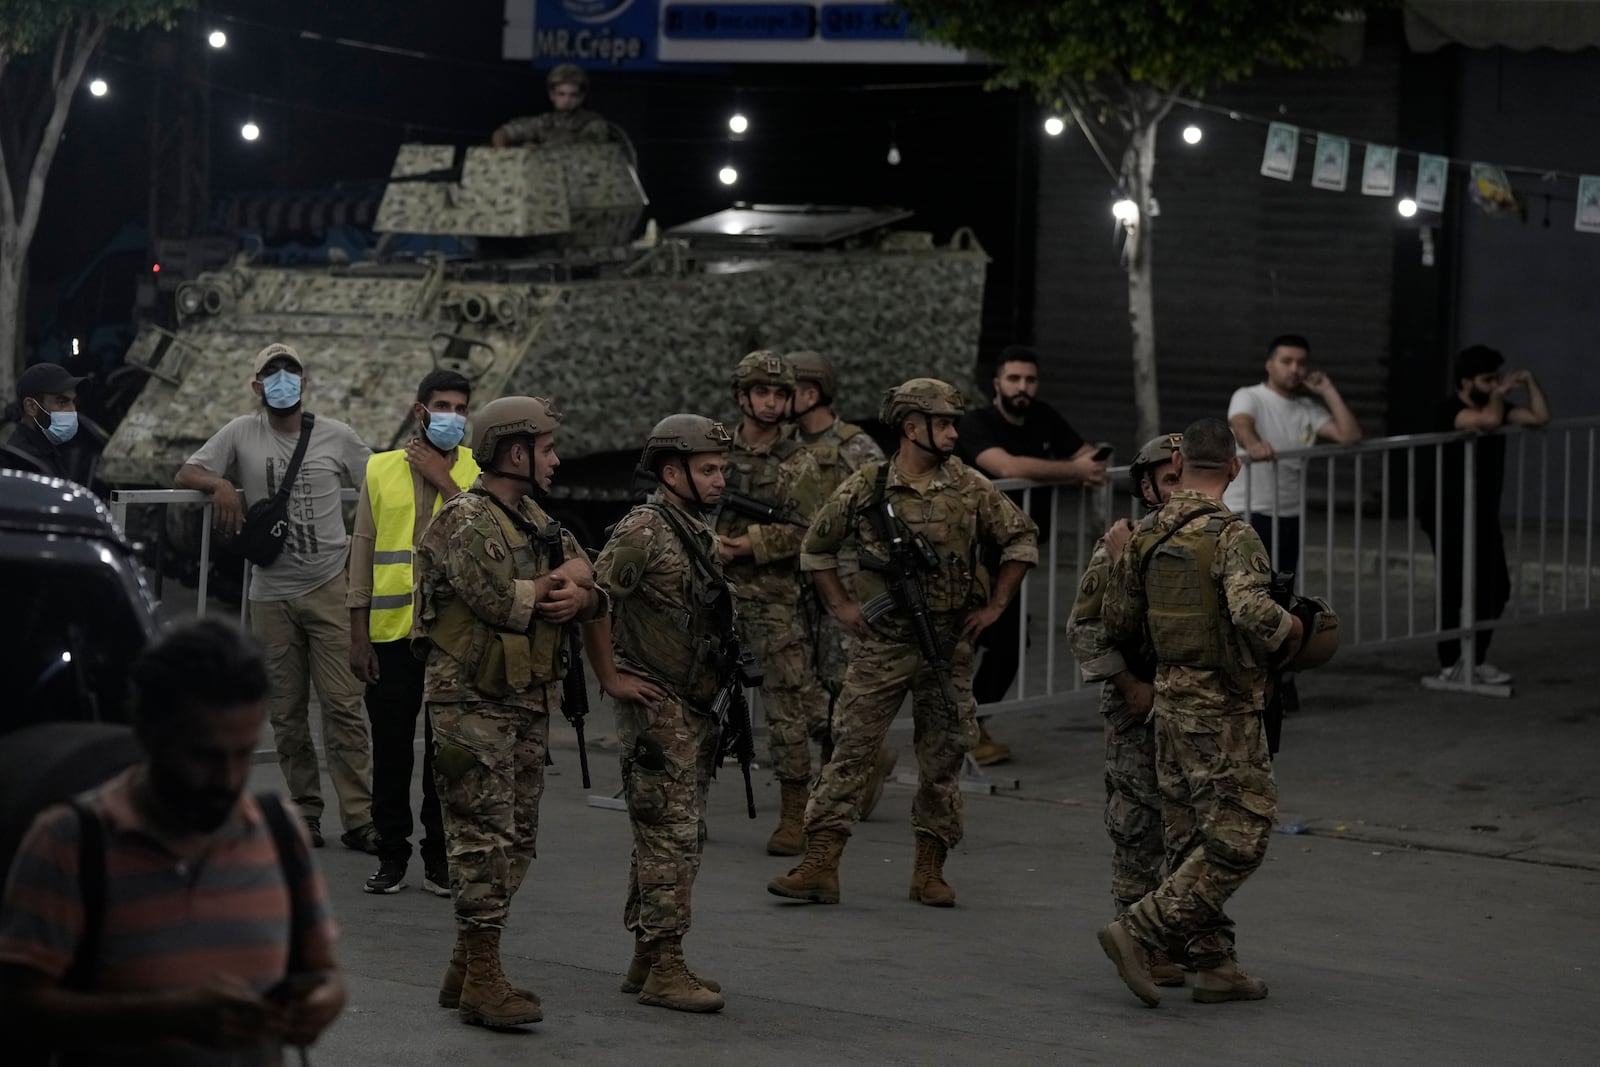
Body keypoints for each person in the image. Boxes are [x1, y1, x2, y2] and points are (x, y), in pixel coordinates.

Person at [0, 618, 346, 1065]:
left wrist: (322, 1001)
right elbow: (17, 1007)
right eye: (204, 756)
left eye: (243, 754)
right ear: (149, 734)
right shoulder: (70, 842)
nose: (228, 779)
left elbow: (324, 974)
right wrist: (163, 1017)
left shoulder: (281, 831)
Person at [768, 378, 1038, 908]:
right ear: (912, 428)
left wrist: (996, 606)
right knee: (849, 751)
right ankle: (820, 864)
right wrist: (844, 606)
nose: (954, 433)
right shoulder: (868, 486)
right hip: (883, 644)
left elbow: (1021, 539)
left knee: (943, 759)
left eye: (955, 423)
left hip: (946, 644)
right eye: (943, 424)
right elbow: (816, 548)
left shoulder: (969, 486)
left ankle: (929, 871)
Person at [413, 395, 607, 1030]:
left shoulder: (529, 516)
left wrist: (573, 587)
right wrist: (556, 587)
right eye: (546, 449)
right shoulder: (467, 518)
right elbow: (498, 598)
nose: (555, 460)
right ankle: (483, 979)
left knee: (517, 840)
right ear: (516, 453)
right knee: (480, 841)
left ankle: (465, 967)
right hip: (471, 703)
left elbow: (588, 570)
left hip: (521, 701)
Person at [1098, 417, 1304, 1007]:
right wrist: (1292, 628)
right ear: (1236, 469)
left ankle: (1215, 965)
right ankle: (1139, 931)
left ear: (1182, 468)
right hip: (1224, 710)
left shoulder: (1148, 531)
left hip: (1169, 704)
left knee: (1190, 837)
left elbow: (1117, 622)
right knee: (1244, 832)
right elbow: (1251, 613)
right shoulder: (1233, 535)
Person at [175, 343, 376, 854]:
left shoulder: (337, 436)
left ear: (304, 383)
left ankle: (360, 816)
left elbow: (377, 482)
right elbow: (186, 472)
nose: (282, 379)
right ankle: (305, 812)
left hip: (330, 585)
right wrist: (220, 484)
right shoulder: (241, 433)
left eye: (290, 371)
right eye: (271, 372)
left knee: (344, 707)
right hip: (271, 594)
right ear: (257, 385)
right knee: (286, 713)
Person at [583, 414, 736, 1014]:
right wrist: (610, 677)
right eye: (708, 470)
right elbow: (595, 600)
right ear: (672, 473)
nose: (720, 479)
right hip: (658, 705)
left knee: (674, 834)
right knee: (670, 837)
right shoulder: (646, 529)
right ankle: (666, 965)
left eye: (722, 468)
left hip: (691, 703)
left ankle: (647, 959)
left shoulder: (690, 526)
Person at [348, 370, 480, 897]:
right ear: (419, 410)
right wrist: (357, 634)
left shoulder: (475, 470)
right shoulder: (380, 469)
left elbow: (479, 531)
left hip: (452, 634)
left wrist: (444, 480)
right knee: (392, 749)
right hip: (390, 635)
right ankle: (392, 855)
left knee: (444, 754)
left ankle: (438, 857)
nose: (451, 415)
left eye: (461, 407)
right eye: (441, 405)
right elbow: (361, 551)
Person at [1066, 433, 1186, 989]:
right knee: (1139, 827)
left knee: (1193, 829)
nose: (1181, 488)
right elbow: (1084, 628)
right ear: (1146, 488)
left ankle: (1184, 934)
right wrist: (1131, 684)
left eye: (1187, 476)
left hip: (1194, 709)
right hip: (1137, 704)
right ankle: (1138, 940)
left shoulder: (1218, 540)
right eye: (1169, 480)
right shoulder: (1121, 545)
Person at [957, 345, 1107, 765]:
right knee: (964, 639)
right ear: (997, 383)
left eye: (1030, 380)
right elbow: (1003, 467)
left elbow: (1084, 452)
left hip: (1015, 554)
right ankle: (956, 727)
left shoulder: (1043, 416)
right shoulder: (975, 423)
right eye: (1014, 379)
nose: (1023, 388)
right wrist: (1073, 471)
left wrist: (1090, 462)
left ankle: (972, 723)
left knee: (1007, 643)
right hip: (971, 551)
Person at [718, 351, 829, 857]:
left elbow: (809, 531)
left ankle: (793, 814)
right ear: (743, 396)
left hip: (773, 599)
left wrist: (745, 545)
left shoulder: (799, 459)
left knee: (789, 711)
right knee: (697, 702)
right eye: (761, 392)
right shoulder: (713, 448)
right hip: (713, 593)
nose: (770, 402)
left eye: (780, 394)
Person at [785, 349, 897, 818]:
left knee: (841, 683)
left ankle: (852, 770)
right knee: (801, 683)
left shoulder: (856, 447)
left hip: (846, 580)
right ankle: (851, 764)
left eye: (783, 392)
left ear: (810, 394)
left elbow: (884, 511)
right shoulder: (784, 444)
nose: (772, 401)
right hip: (795, 580)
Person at [1420, 345, 1550, 685]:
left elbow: (1539, 418)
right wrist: (1501, 395)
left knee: (1497, 587)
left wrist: (1531, 383)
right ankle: (1451, 663)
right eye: (1487, 379)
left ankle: (1475, 658)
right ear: (1466, 382)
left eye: (1497, 378)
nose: (1495, 385)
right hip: (1448, 512)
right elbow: (1489, 422)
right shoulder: (1449, 410)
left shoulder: (1497, 404)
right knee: (1456, 586)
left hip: (1482, 512)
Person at [1224, 334, 1362, 576]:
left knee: (1282, 590)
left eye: (1301, 363)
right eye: (1286, 361)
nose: (1295, 369)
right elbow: (1241, 423)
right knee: (1248, 592)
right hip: (1249, 510)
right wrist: (1254, 445)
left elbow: (1349, 436)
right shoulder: (1249, 396)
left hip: (1290, 512)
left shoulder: (1308, 409)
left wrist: (1327, 390)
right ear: (1269, 364)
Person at [2, 362, 97, 486]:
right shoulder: (24, 464)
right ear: (31, 407)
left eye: (73, 402)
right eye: (62, 402)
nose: (72, 410)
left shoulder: (48, 450)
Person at [492, 64, 620, 152]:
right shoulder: (544, 122)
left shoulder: (593, 123)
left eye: (573, 95)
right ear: (552, 95)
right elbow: (501, 134)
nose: (567, 100)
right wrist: (506, 154)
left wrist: (538, 150)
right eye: (561, 94)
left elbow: (580, 153)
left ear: (581, 97)